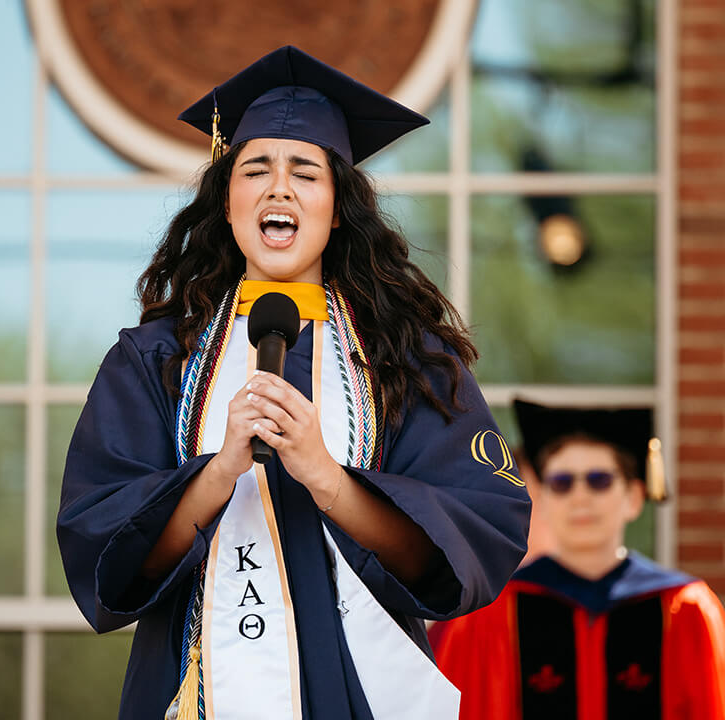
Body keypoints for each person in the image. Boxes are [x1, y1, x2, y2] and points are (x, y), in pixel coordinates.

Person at [56, 46, 531, 720]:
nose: (279, 188)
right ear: (228, 203)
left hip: (355, 690)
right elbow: (109, 553)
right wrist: (218, 471)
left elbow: (464, 541)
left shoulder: (406, 360)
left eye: (305, 173)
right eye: (255, 170)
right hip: (196, 688)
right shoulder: (157, 360)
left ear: (336, 209)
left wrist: (327, 478)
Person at [429, 399, 725, 719]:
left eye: (599, 480)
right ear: (541, 499)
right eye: (562, 483)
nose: (580, 497)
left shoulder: (683, 609)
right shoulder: (493, 614)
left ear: (635, 497)